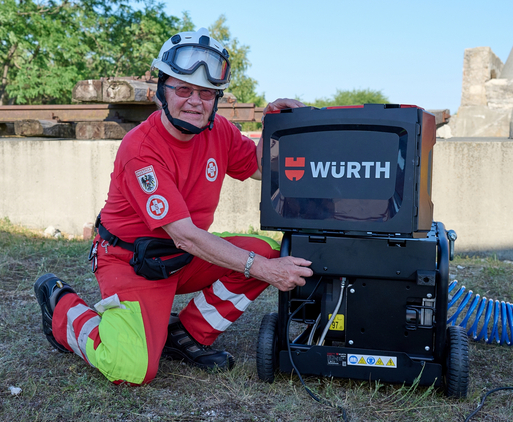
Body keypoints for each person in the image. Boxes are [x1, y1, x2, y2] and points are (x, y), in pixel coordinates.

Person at [33, 28, 313, 385]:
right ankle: (63, 308)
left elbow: (261, 167)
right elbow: (184, 236)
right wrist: (265, 271)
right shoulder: (141, 149)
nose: (195, 101)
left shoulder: (220, 132)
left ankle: (188, 336)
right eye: (183, 89)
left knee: (265, 254)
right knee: (132, 370)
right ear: (161, 92)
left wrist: (278, 126)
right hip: (133, 262)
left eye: (207, 93)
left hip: (182, 257)